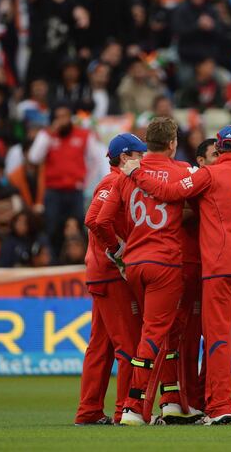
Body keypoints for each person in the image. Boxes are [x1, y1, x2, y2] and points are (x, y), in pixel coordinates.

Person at [121, 125, 231, 425]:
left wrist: (135, 173)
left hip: (219, 265)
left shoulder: (208, 174)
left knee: (217, 337)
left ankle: (220, 406)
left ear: (220, 150)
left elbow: (169, 192)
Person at [94, 117, 199, 426]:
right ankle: (133, 406)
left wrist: (117, 251)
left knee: (162, 331)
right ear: (172, 144)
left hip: (135, 264)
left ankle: (170, 400)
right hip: (166, 263)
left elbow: (100, 221)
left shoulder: (126, 176)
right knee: (154, 333)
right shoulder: (182, 171)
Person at [76, 134, 146, 425]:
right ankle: (123, 411)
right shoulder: (112, 182)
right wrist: (118, 251)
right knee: (128, 346)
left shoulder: (117, 181)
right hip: (110, 274)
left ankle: (89, 411)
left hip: (102, 273)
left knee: (100, 347)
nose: (144, 160)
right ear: (126, 156)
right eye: (140, 154)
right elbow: (95, 220)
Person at [28, 104, 97, 254]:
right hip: (53, 191)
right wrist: (50, 134)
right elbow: (34, 157)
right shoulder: (46, 135)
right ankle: (53, 260)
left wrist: (85, 181)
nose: (62, 120)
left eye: (65, 116)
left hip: (75, 191)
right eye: (59, 117)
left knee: (79, 227)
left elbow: (95, 161)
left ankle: (82, 259)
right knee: (52, 228)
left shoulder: (84, 135)